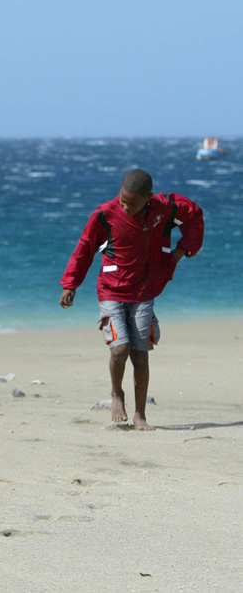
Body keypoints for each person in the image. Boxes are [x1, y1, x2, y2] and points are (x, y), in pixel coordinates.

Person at [59, 169, 204, 431]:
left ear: (149, 197)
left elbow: (194, 215)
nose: (126, 207)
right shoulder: (105, 213)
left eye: (133, 203)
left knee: (141, 354)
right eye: (123, 200)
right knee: (120, 349)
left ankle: (140, 415)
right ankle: (116, 395)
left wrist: (180, 252)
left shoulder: (166, 209)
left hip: (145, 290)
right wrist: (71, 283)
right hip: (111, 289)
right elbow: (85, 247)